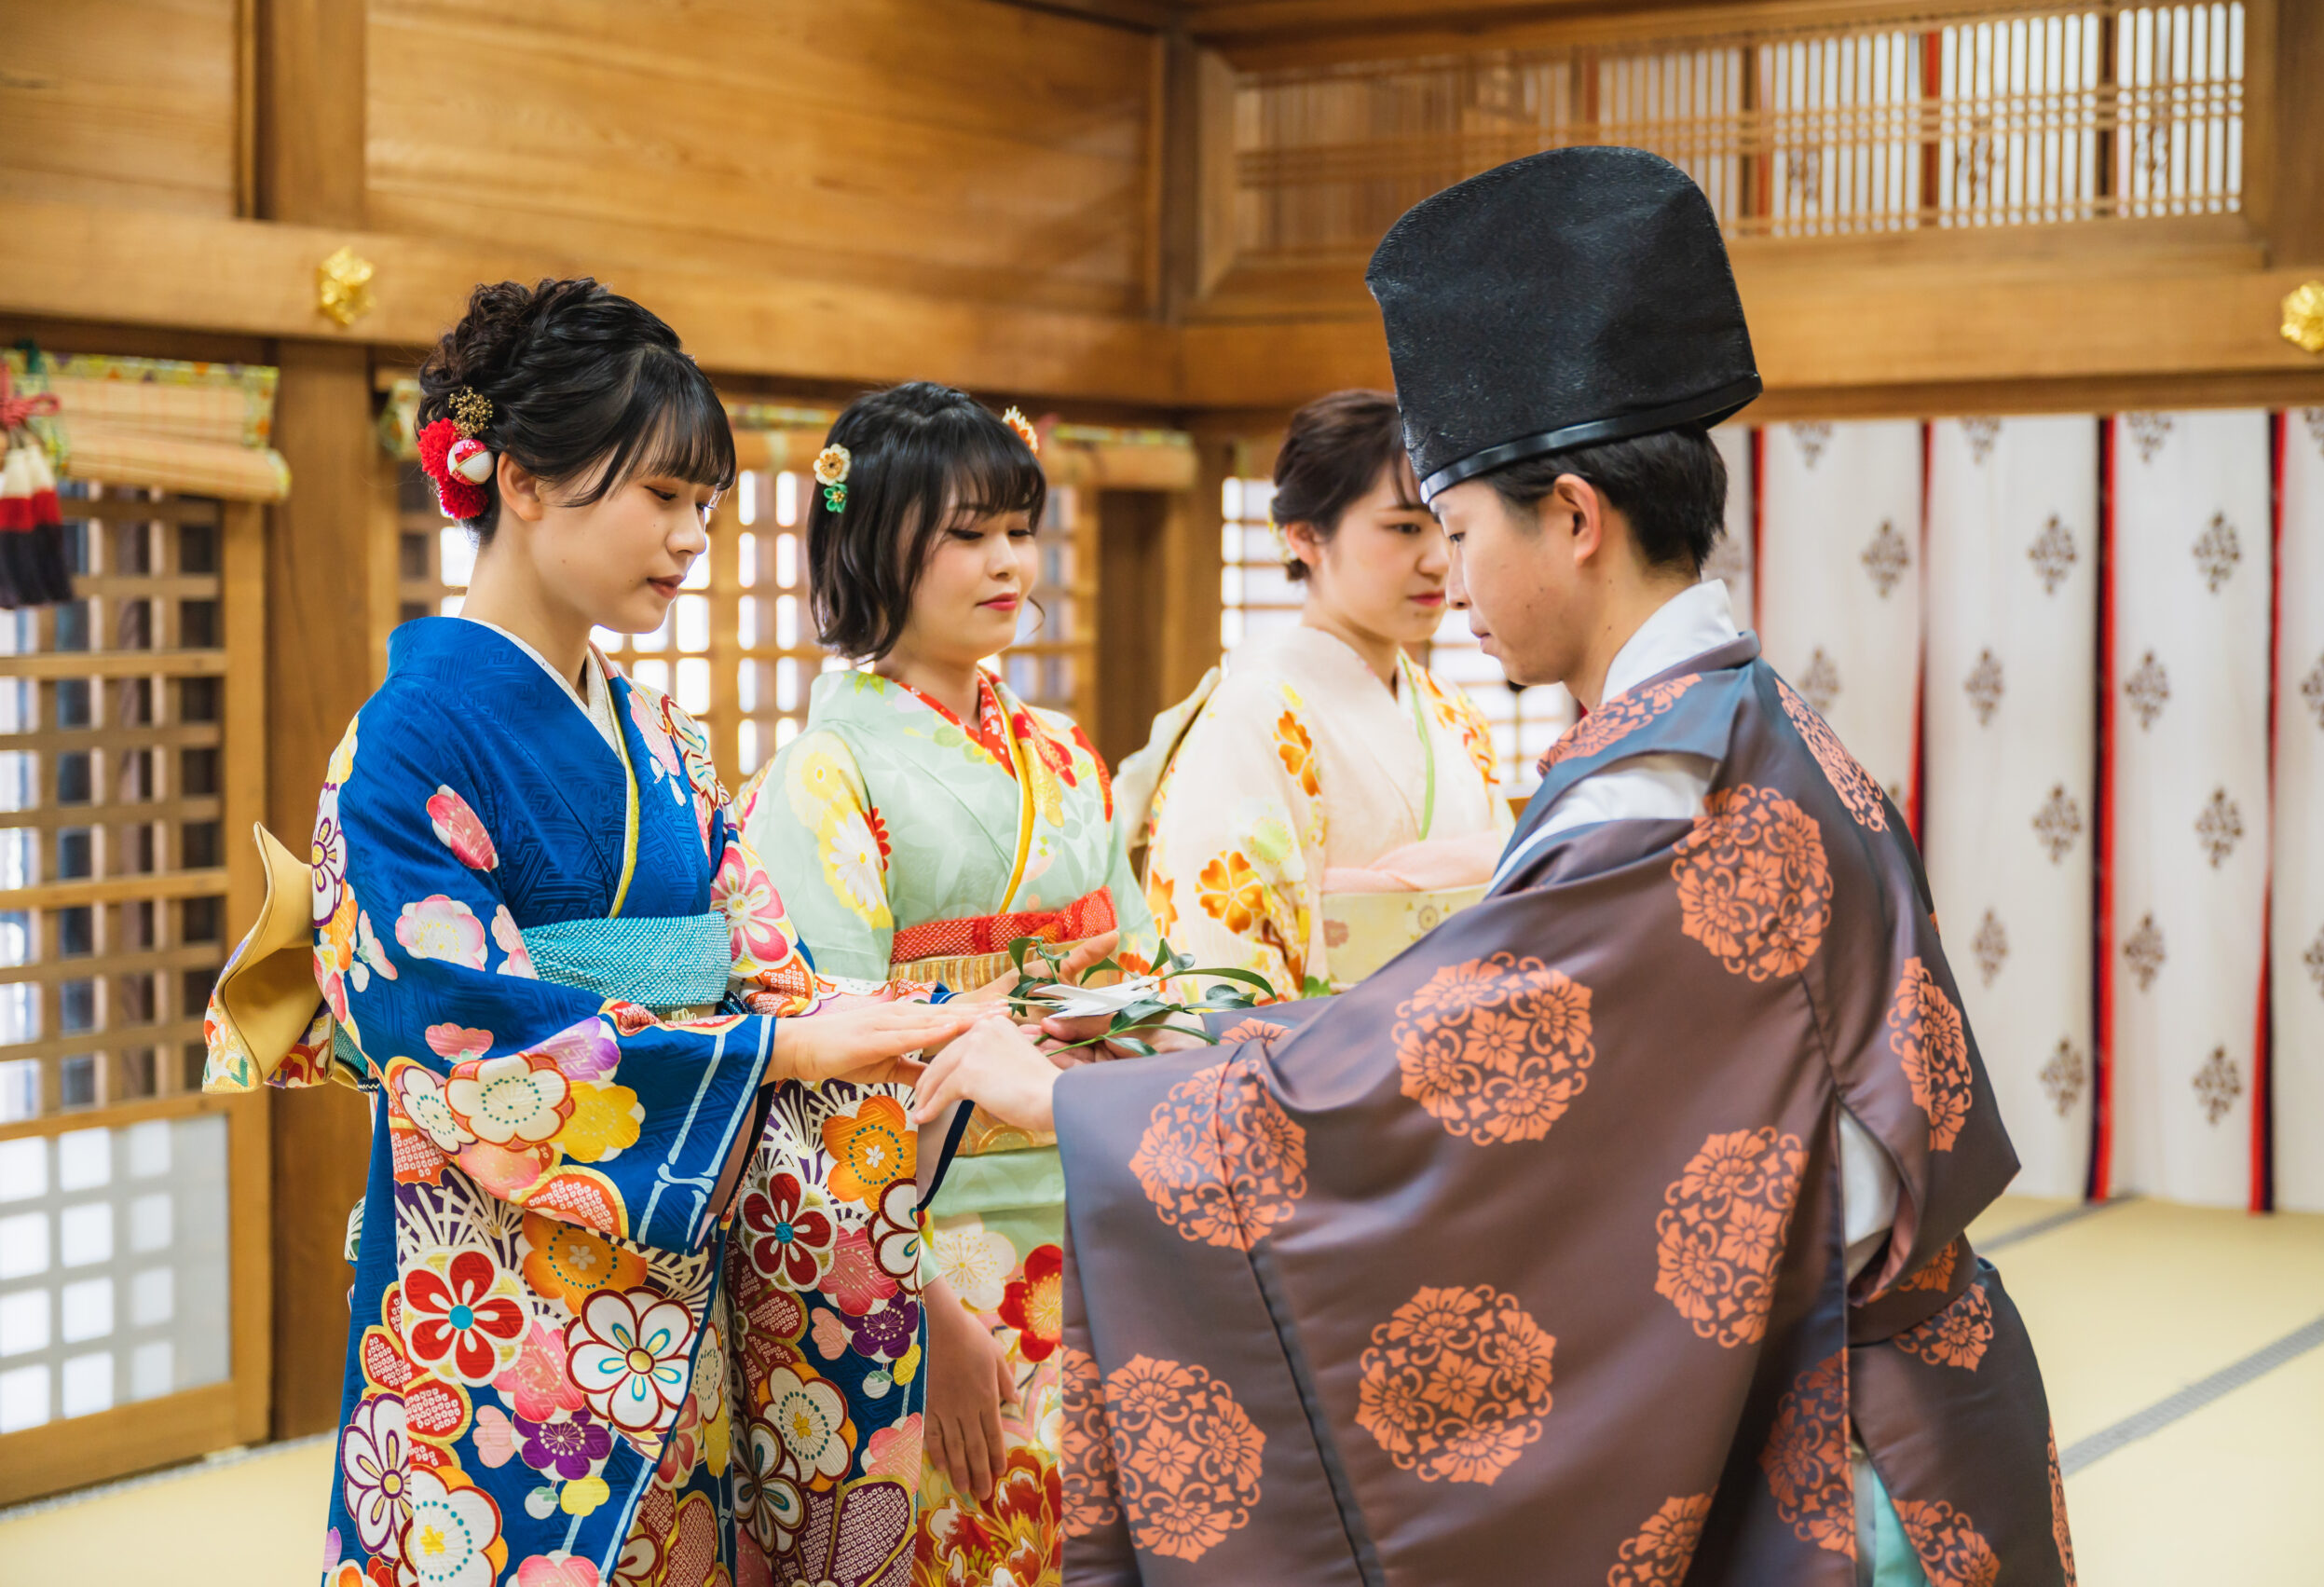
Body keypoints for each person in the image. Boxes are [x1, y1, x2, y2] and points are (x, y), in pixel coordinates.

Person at [909, 149, 2073, 1586]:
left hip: (1832, 1465)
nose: (1449, 577)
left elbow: (1423, 1089)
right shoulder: (1736, 727)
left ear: (1574, 518)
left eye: (1457, 530)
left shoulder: (1668, 787)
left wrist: (1091, 1103)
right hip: (1851, 1415)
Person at [201, 281, 1005, 1587]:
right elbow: (458, 1028)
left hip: (682, 1270)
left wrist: (869, 1038)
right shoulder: (408, 741)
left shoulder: (660, 732)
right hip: (508, 1284)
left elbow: (771, 970)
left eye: (705, 505)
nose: (691, 536)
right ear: (519, 478)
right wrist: (777, 1054)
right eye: (664, 497)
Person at [733, 382, 1157, 1587]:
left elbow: (1139, 976)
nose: (1007, 560)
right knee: (973, 1540)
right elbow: (830, 1079)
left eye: (1018, 527)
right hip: (930, 1225)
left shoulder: (1067, 751)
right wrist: (919, 1301)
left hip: (1091, 1201)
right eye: (966, 533)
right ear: (875, 545)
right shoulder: (822, 775)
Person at [1126, 390, 1511, 999]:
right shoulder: (1251, 715)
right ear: (1306, 536)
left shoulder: (1456, 715)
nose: (1439, 560)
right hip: (1325, 1072)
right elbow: (1221, 960)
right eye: (1405, 527)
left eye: (1447, 526)